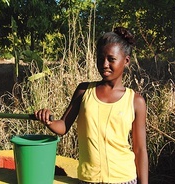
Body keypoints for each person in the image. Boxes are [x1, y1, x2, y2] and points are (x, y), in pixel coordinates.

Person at [34, 27, 148, 184]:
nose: (104, 64)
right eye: (100, 59)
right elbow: (63, 126)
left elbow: (140, 149)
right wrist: (48, 121)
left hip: (124, 178)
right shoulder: (84, 91)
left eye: (111, 59)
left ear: (126, 61)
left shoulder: (135, 101)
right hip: (88, 179)